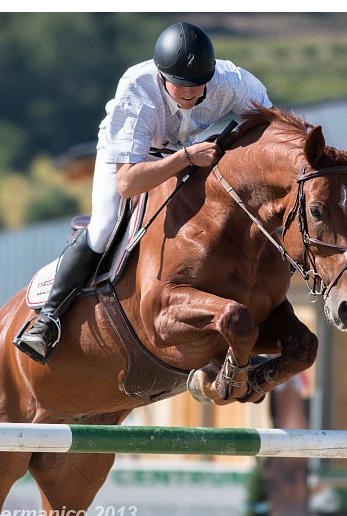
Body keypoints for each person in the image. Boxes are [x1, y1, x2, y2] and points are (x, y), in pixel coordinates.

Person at [14, 21, 273, 364]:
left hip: (185, 152)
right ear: (162, 75)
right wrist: (186, 157)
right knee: (105, 226)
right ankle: (48, 319)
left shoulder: (232, 82)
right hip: (128, 158)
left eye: (198, 84)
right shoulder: (138, 88)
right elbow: (128, 183)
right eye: (181, 84)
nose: (190, 93)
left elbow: (271, 123)